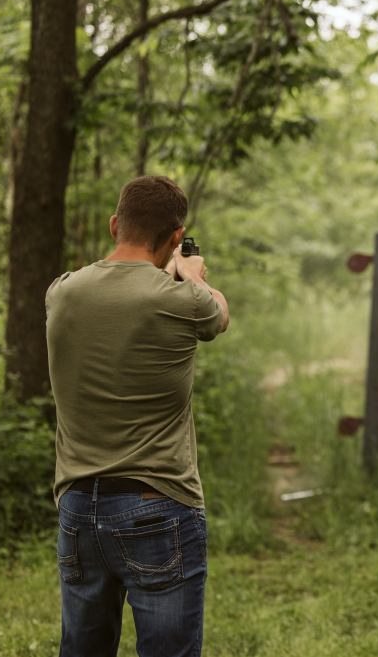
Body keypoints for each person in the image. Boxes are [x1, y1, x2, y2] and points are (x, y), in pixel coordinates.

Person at [47, 175, 229, 657]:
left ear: (113, 226)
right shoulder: (182, 300)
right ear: (176, 238)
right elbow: (217, 316)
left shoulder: (61, 292)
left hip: (77, 508)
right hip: (158, 501)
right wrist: (190, 273)